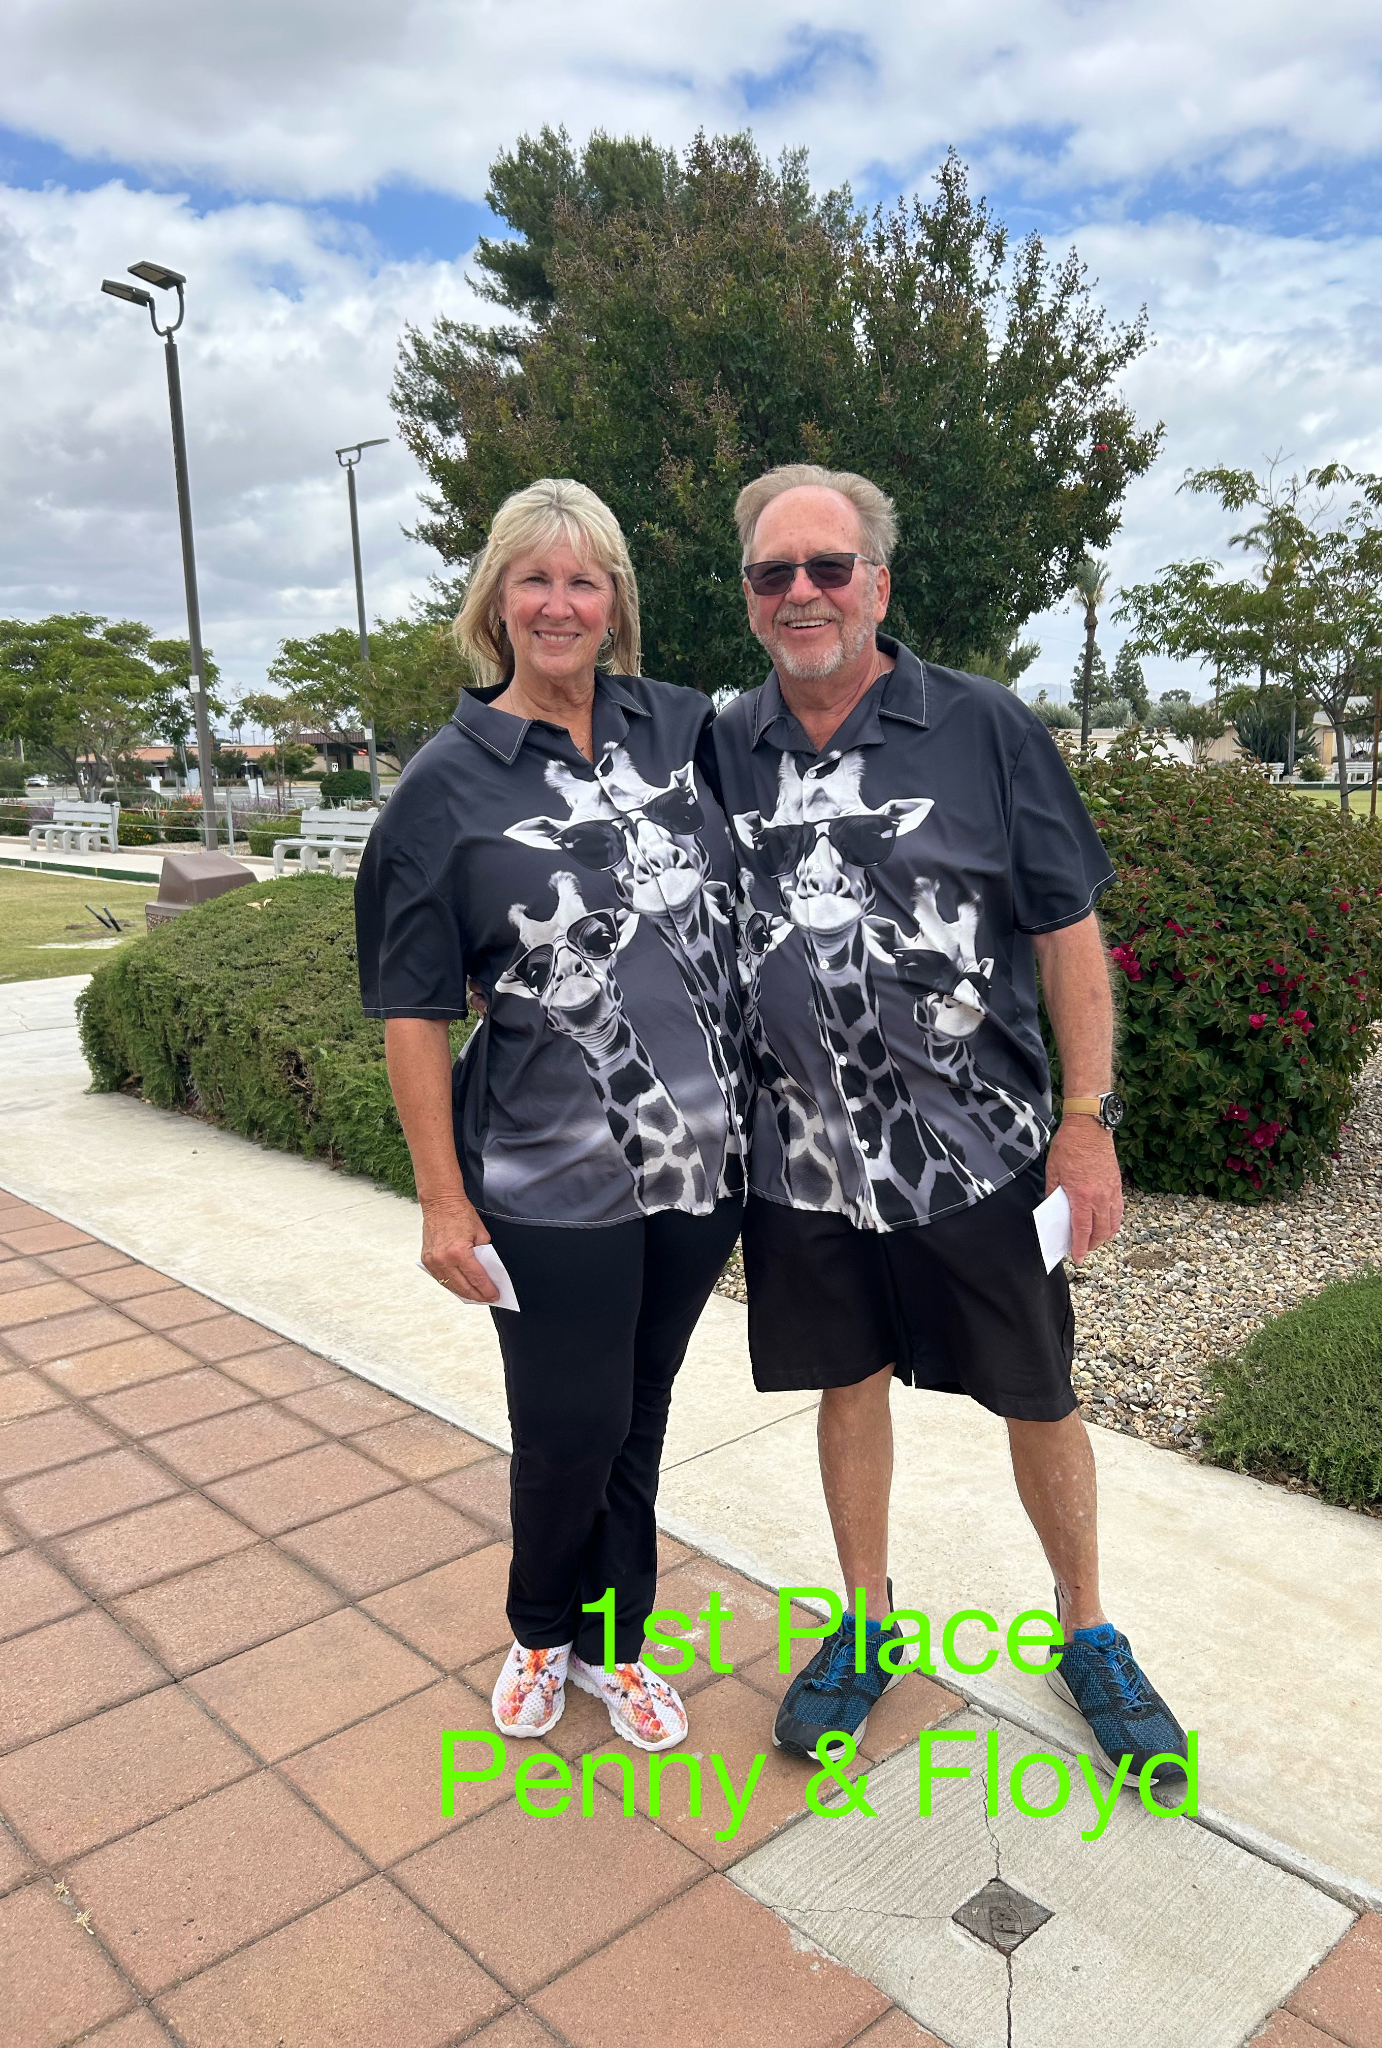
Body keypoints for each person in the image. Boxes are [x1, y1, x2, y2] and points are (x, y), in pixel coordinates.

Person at [709, 462, 1188, 1783]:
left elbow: (1068, 934)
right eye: (773, 572)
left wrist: (1085, 1120)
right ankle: (867, 1622)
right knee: (845, 1379)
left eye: (829, 566)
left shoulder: (984, 728)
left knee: (1037, 1389)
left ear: (878, 582)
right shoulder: (724, 744)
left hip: (977, 1152)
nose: (803, 593)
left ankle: (1086, 1630)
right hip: (803, 1161)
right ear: (749, 594)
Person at [355, 478, 747, 1753]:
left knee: (640, 1408)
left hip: (701, 1160)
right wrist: (441, 1197)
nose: (561, 603)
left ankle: (615, 1641)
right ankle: (539, 1627)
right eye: (536, 578)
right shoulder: (446, 782)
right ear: (496, 602)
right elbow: (413, 1006)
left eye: (585, 579)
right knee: (569, 1420)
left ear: (615, 600)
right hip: (544, 1167)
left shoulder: (682, 730)